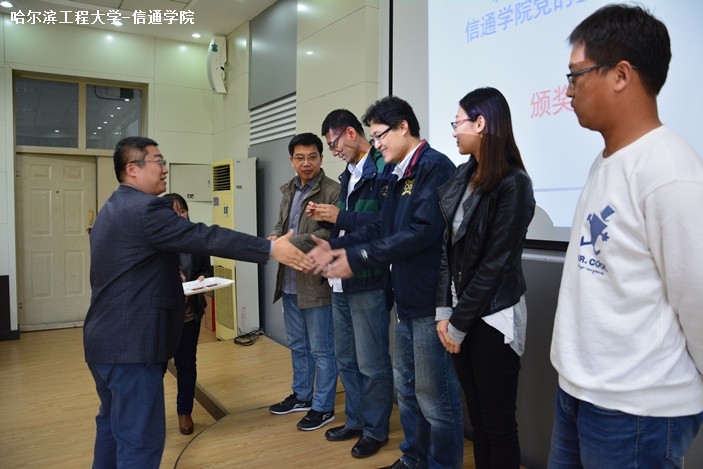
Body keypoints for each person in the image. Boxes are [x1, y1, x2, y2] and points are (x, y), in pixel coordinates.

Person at [84, 136, 310, 469]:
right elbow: (204, 236)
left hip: (102, 342)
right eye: (158, 161)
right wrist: (270, 248)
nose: (164, 169)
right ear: (132, 169)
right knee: (139, 441)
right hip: (132, 347)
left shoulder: (111, 208)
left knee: (112, 426)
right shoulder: (146, 209)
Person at [548, 5, 703, 468]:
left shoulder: (669, 171)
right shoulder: (608, 161)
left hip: (637, 408)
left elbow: (697, 298)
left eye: (576, 75)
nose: (568, 90)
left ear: (620, 75)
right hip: (581, 391)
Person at [308, 96, 464, 469]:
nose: (376, 145)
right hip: (405, 297)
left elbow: (421, 232)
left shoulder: (433, 167)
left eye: (380, 136)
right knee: (407, 390)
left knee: (435, 398)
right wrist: (337, 248)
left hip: (430, 299)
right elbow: (382, 226)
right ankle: (413, 457)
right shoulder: (397, 171)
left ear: (403, 127)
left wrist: (358, 258)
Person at [435, 87, 535, 469]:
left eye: (457, 122)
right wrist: (444, 311)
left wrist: (458, 324)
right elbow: (447, 250)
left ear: (481, 123)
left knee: (498, 424)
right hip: (461, 315)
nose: (454, 131)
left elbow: (496, 264)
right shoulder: (464, 176)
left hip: (494, 316)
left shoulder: (514, 183)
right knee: (476, 421)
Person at [306, 109, 394, 458]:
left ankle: (375, 430)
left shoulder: (382, 168)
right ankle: (356, 420)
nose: (334, 151)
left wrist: (339, 216)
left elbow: (385, 224)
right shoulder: (349, 175)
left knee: (372, 363)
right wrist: (328, 225)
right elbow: (349, 226)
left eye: (334, 144)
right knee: (346, 359)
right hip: (340, 280)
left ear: (351, 133)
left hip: (368, 278)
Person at [268, 132, 341, 432]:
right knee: (298, 345)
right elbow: (280, 224)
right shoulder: (289, 189)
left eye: (312, 157)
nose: (306, 163)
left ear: (321, 158)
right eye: (300, 158)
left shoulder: (333, 190)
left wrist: (286, 244)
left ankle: (323, 407)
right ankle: (302, 396)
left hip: (315, 282)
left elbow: (329, 234)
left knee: (322, 349)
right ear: (291, 160)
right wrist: (275, 237)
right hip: (289, 280)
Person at [161, 192, 212, 436]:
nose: (180, 216)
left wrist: (203, 278)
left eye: (182, 211)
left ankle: (185, 412)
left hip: (189, 316)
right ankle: (151, 415)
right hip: (161, 319)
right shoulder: (157, 242)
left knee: (187, 365)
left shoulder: (196, 240)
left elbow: (207, 269)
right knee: (155, 368)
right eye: (174, 212)